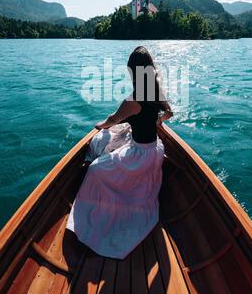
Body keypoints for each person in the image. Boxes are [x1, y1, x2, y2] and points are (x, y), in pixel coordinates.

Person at [66, 46, 173, 259]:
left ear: (134, 72)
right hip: (156, 151)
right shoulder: (155, 93)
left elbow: (112, 120)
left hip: (139, 157)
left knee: (96, 169)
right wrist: (156, 121)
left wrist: (100, 126)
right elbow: (169, 113)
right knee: (119, 139)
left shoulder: (132, 101)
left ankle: (94, 215)